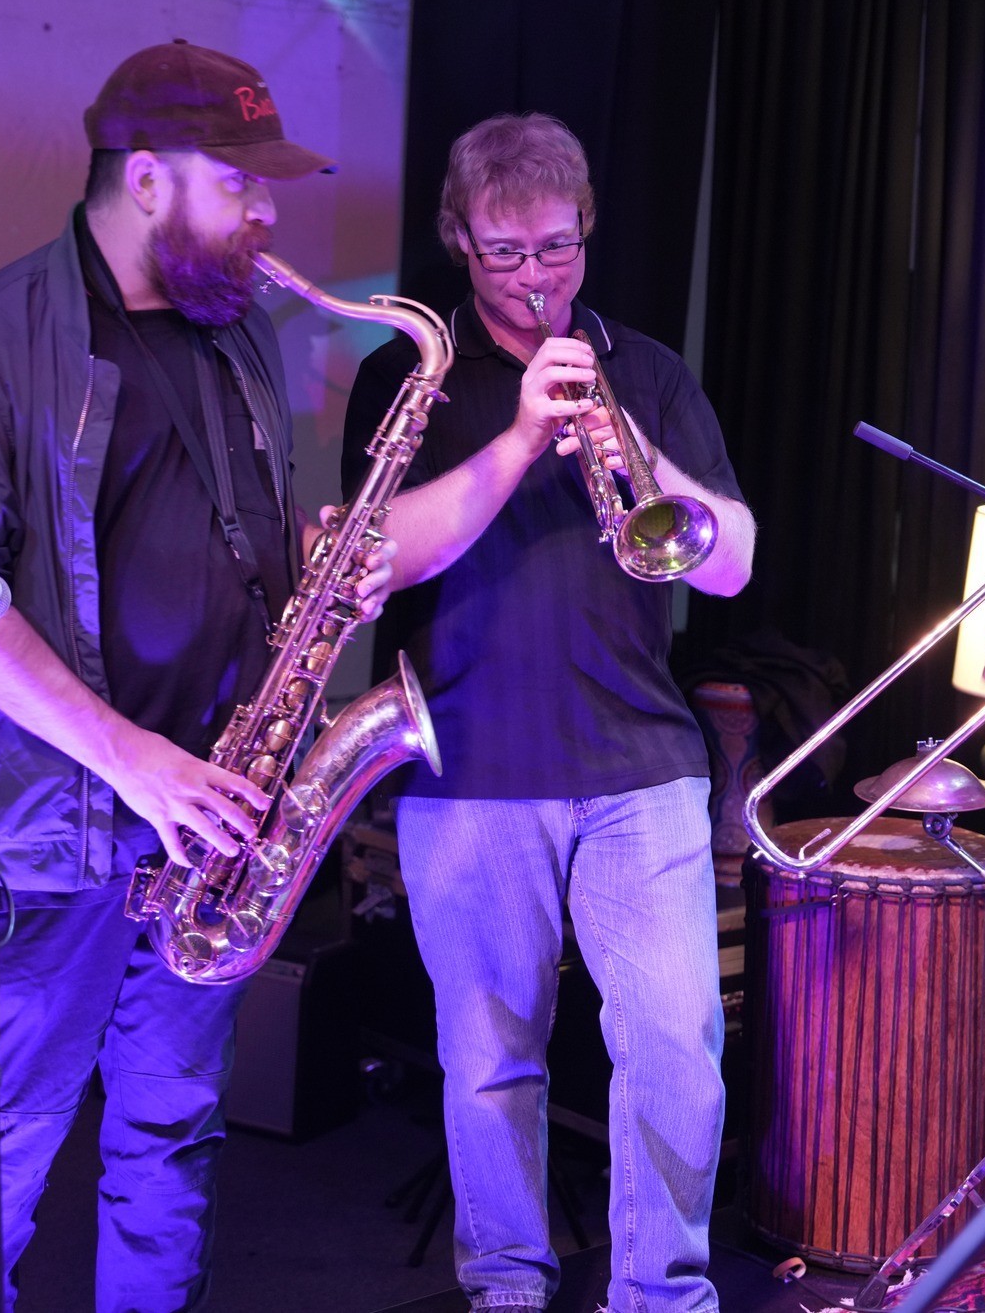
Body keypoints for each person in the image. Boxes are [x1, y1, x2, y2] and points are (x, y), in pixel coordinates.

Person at [0, 40, 390, 1311]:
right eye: (240, 182)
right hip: (45, 833)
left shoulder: (236, 332)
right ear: (145, 177)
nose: (268, 213)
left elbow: (220, 530)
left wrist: (316, 574)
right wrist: (133, 760)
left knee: (173, 1131)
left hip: (207, 824)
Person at [342, 112, 756, 1313]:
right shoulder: (408, 377)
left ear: (585, 229)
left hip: (641, 765)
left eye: (557, 247)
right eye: (506, 252)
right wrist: (524, 435)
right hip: (470, 765)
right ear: (457, 240)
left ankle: (659, 1295)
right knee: (488, 1065)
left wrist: (629, 452)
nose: (536, 276)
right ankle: (507, 1289)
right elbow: (379, 557)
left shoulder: (646, 369)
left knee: (676, 1051)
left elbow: (729, 562)